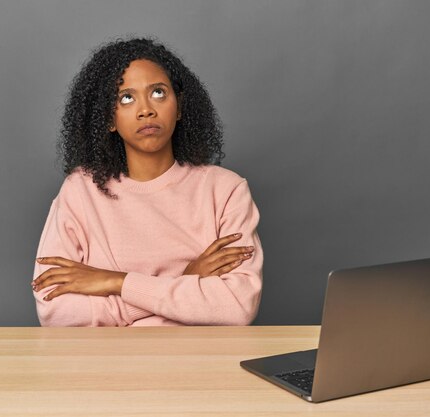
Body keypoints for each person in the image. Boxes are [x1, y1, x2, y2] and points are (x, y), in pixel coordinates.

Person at [31, 38, 263, 326]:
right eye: (126, 98)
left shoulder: (225, 190)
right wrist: (185, 281)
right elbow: (57, 314)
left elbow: (236, 306)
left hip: (201, 362)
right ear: (109, 119)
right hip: (107, 365)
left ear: (179, 108)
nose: (145, 110)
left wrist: (115, 282)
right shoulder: (80, 192)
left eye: (158, 92)